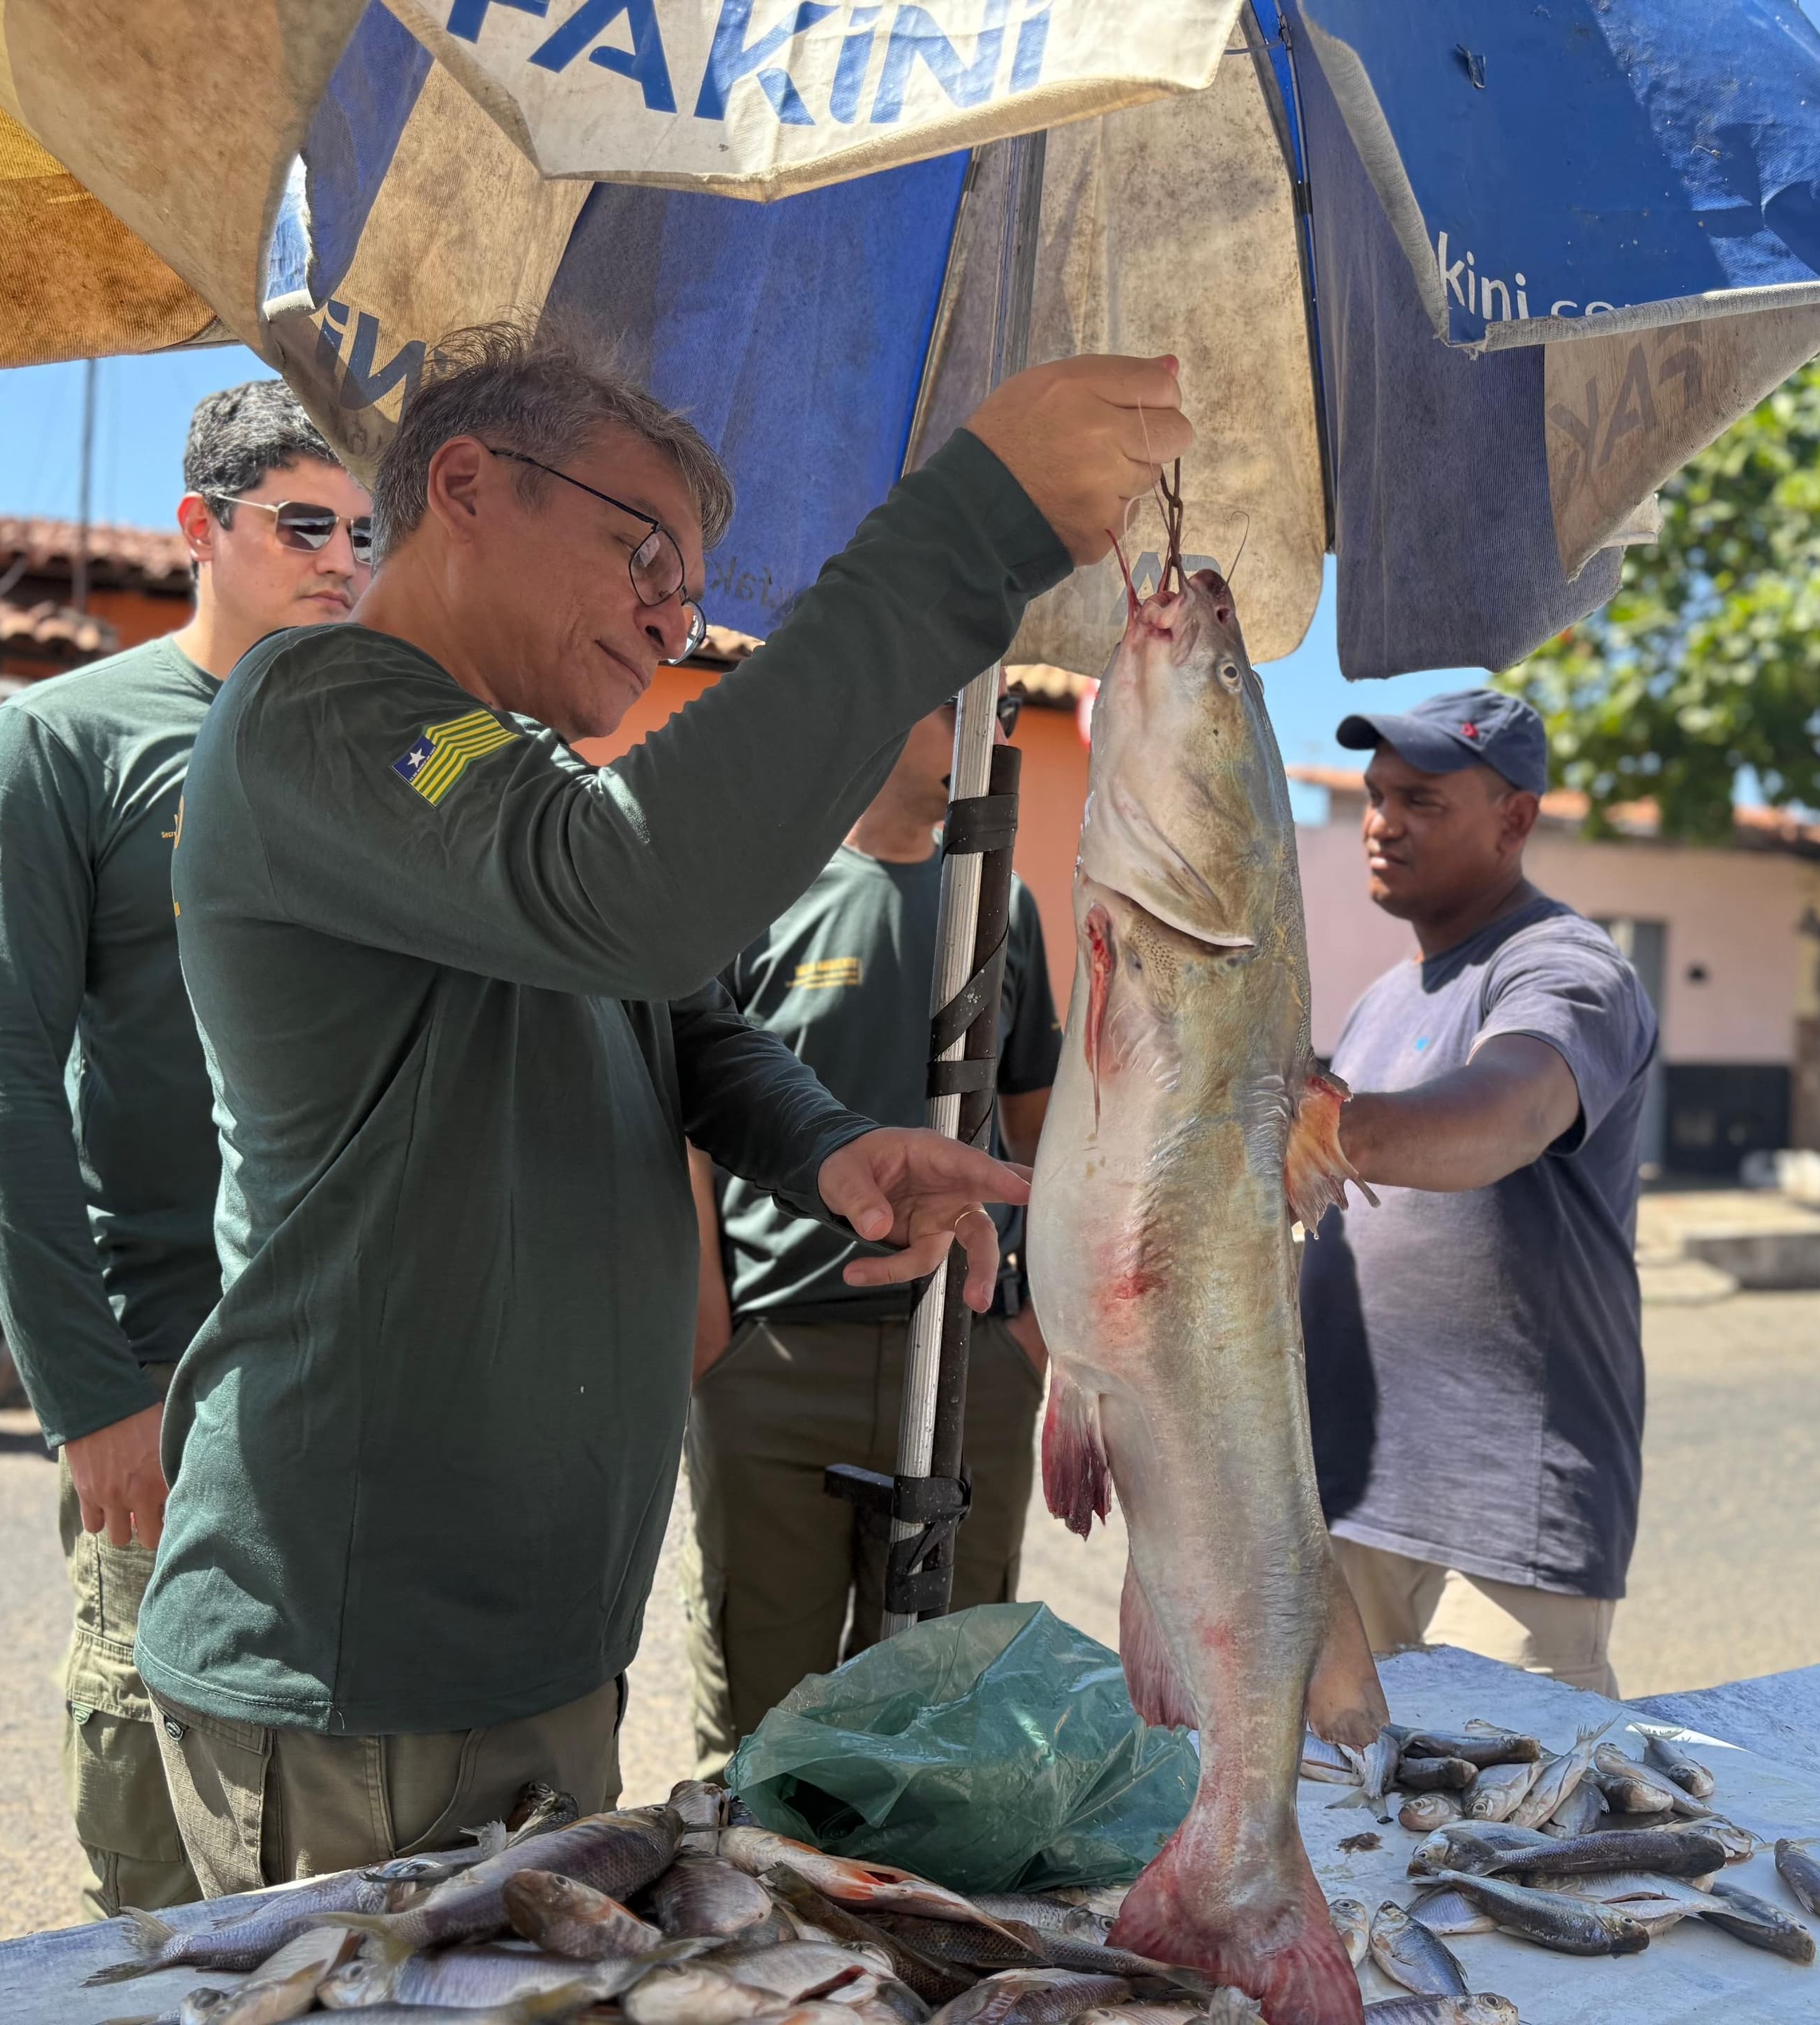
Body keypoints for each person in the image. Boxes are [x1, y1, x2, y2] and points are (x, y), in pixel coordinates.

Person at [140, 324, 1186, 1894]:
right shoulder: (324, 706)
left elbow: (679, 1014)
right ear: (469, 485)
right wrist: (975, 521)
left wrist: (826, 1143)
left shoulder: (499, 782)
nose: (672, 610)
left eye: (690, 581)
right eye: (642, 548)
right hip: (367, 1659)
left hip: (520, 1645)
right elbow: (630, 897)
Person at [0, 382, 372, 1920]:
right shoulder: (57, 745)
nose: (342, 559)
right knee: (158, 1826)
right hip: (168, 1361)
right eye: (304, 523)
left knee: (349, 1805)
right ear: (199, 528)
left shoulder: (380, 747)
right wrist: (89, 1391)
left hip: (356, 1352)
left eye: (365, 530)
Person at [682, 683, 1063, 1775]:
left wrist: (1029, 1335)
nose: (994, 733)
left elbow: (1038, 1128)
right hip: (781, 1357)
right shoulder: (757, 894)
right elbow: (694, 1132)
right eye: (963, 708)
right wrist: (714, 1334)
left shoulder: (1005, 905)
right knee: (769, 1722)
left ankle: (911, 1939)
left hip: (969, 1354)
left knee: (946, 1716)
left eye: (1005, 713)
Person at [1297, 690, 1657, 1695]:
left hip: (1503, 1529)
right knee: (1349, 1831)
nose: (1382, 823)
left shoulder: (1566, 967)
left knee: (1499, 1838)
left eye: (1420, 799)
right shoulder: (1384, 999)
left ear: (1516, 819)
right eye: (1374, 797)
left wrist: (1322, 1128)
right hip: (1354, 1499)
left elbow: (1511, 1112)